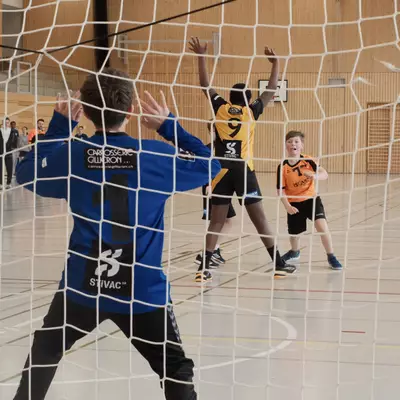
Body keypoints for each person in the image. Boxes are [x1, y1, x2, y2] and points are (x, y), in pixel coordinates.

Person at [14, 67, 221, 400]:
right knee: (175, 369)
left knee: (46, 349)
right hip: (142, 290)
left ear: (87, 112)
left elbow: (26, 173)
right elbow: (209, 165)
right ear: (130, 111)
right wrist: (169, 125)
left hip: (83, 287)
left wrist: (60, 126)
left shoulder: (72, 155)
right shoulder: (155, 155)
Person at [189, 36, 296, 282]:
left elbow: (205, 85)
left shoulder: (220, 107)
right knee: (260, 221)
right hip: (243, 170)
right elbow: (270, 90)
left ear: (229, 97)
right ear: (249, 99)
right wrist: (275, 63)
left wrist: (201, 56)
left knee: (216, 222)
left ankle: (203, 269)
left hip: (220, 171)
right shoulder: (251, 111)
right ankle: (278, 264)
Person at [277, 130, 342, 270]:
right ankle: (294, 251)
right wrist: (287, 206)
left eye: (296, 141)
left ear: (301, 146)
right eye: (289, 141)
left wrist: (314, 176)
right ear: (286, 145)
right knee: (294, 234)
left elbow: (324, 174)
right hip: (294, 203)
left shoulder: (308, 160)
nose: (293, 144)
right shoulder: (283, 166)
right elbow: (280, 190)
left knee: (322, 227)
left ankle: (331, 256)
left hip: (312, 199)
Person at [194, 120, 236, 270]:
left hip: (223, 188)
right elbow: (203, 170)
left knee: (228, 220)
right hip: (211, 189)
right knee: (217, 222)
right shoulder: (208, 149)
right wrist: (209, 185)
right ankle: (205, 254)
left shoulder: (226, 148)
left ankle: (215, 249)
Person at [0, 117, 19, 189]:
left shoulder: (13, 131)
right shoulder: (0, 130)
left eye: (7, 122)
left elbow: (15, 141)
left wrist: (13, 148)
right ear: (2, 122)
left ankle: (8, 183)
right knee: (0, 168)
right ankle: (1, 184)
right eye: (5, 122)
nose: (6, 123)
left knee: (9, 168)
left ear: (9, 123)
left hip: (9, 152)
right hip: (0, 152)